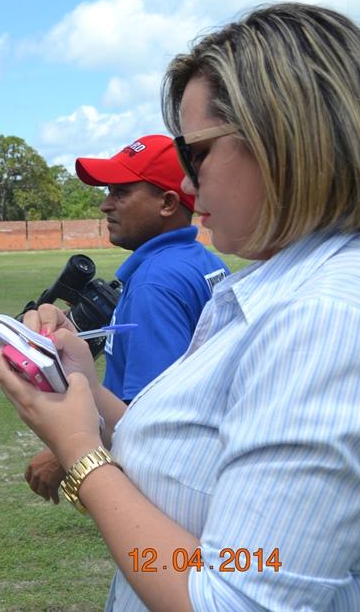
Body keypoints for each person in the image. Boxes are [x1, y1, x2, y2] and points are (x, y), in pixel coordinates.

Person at [0, 2, 360, 611]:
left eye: (196, 153)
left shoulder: (324, 317)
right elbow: (200, 460)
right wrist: (83, 386)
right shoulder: (289, 287)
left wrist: (79, 455)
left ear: (283, 138)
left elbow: (237, 596)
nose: (190, 184)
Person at [25, 136, 228, 503]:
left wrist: (66, 453)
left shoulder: (155, 281)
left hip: (167, 487)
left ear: (167, 202)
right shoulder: (201, 259)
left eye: (120, 192)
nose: (106, 205)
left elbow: (153, 417)